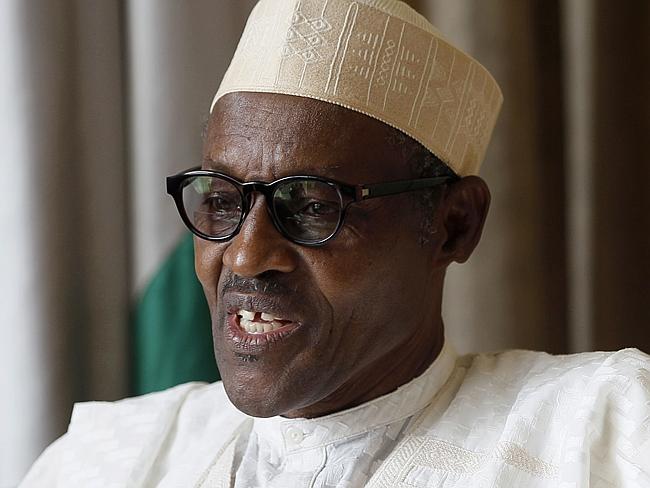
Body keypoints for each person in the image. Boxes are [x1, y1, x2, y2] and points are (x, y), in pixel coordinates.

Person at [21, 0, 650, 486]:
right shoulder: (111, 461)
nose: (245, 254)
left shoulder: (598, 432)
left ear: (454, 224)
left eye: (313, 206)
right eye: (223, 200)